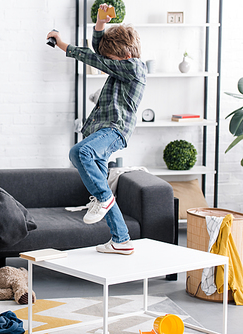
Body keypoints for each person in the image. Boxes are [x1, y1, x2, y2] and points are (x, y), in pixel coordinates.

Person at [47, 3, 146, 255]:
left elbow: (95, 58)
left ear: (124, 54)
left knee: (79, 153)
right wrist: (101, 23)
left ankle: (103, 199)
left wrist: (63, 45)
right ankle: (121, 240)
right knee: (100, 186)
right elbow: (100, 51)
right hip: (100, 131)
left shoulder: (135, 68)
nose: (106, 62)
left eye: (110, 58)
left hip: (114, 130)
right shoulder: (122, 65)